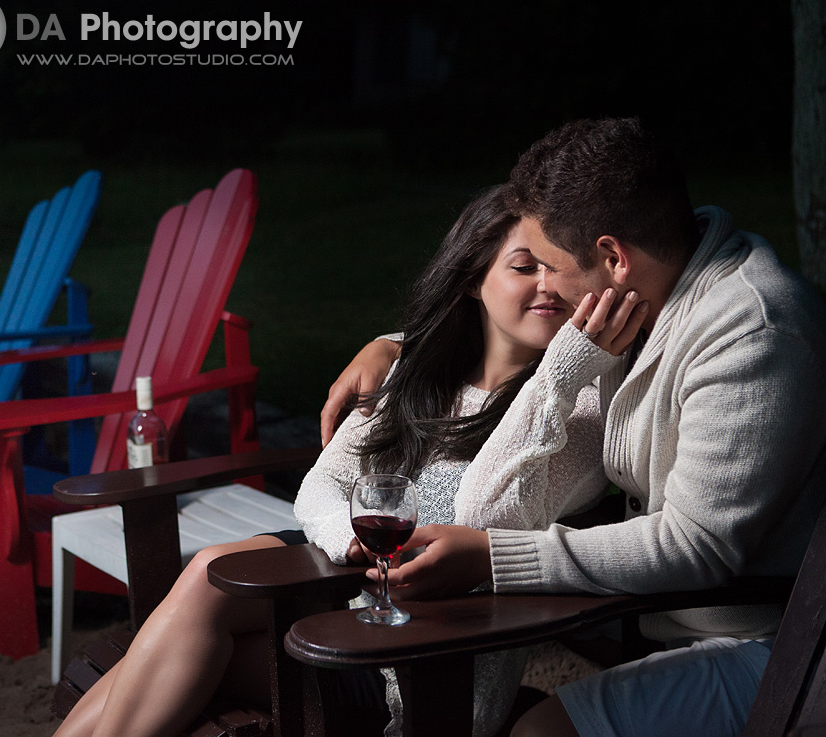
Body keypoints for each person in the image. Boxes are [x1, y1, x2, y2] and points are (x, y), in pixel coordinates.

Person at [56, 185, 640, 737]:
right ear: (472, 279)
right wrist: (349, 539)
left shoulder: (579, 410)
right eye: (524, 266)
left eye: (560, 268)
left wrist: (562, 372)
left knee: (176, 642)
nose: (548, 286)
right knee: (203, 589)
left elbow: (491, 515)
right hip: (347, 619)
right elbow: (324, 484)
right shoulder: (416, 373)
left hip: (431, 673)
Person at [324, 117, 826, 737]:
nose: (548, 289)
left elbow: (695, 548)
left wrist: (493, 559)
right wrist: (399, 346)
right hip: (665, 621)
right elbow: (492, 470)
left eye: (554, 266)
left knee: (539, 732)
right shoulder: (638, 302)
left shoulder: (751, 334)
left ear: (614, 257)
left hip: (779, 648)